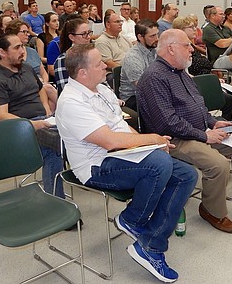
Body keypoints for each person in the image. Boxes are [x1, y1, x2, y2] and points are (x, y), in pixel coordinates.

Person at [56, 43, 197, 283]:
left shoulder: (100, 88)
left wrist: (149, 144)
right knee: (159, 164)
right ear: (82, 73)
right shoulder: (71, 101)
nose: (105, 65)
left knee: (187, 174)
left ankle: (150, 244)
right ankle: (132, 219)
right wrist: (151, 139)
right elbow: (109, 141)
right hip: (97, 166)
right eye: (99, 63)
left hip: (120, 156)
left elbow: (121, 127)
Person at [137, 29, 232, 235]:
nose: (192, 50)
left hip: (198, 131)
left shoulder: (181, 73)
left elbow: (199, 107)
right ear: (170, 49)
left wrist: (213, 123)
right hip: (173, 140)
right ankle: (211, 211)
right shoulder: (154, 78)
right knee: (218, 164)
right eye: (186, 45)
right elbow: (166, 123)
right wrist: (205, 135)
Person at [0, 34, 64, 199]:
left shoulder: (26, 68)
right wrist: (31, 125)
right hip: (18, 129)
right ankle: (56, 200)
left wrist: (46, 108)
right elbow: (1, 116)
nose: (23, 51)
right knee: (55, 145)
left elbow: (40, 88)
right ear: (2, 52)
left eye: (22, 46)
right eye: (17, 48)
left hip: (43, 119)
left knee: (74, 124)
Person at [119, 20, 158, 110]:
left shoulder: (154, 50)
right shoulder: (132, 57)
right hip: (132, 98)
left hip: (151, 92)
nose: (156, 39)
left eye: (157, 34)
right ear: (140, 37)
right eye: (152, 36)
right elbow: (142, 86)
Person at [53, 18, 92, 93]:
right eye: (84, 34)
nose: (89, 37)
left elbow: (102, 82)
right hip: (76, 101)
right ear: (72, 37)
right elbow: (66, 91)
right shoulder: (63, 60)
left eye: (89, 33)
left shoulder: (92, 55)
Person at [94, 12, 133, 78]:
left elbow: (134, 54)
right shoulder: (102, 41)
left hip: (130, 70)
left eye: (121, 21)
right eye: (117, 22)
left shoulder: (123, 38)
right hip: (115, 74)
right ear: (108, 25)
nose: (120, 24)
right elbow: (108, 63)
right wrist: (129, 69)